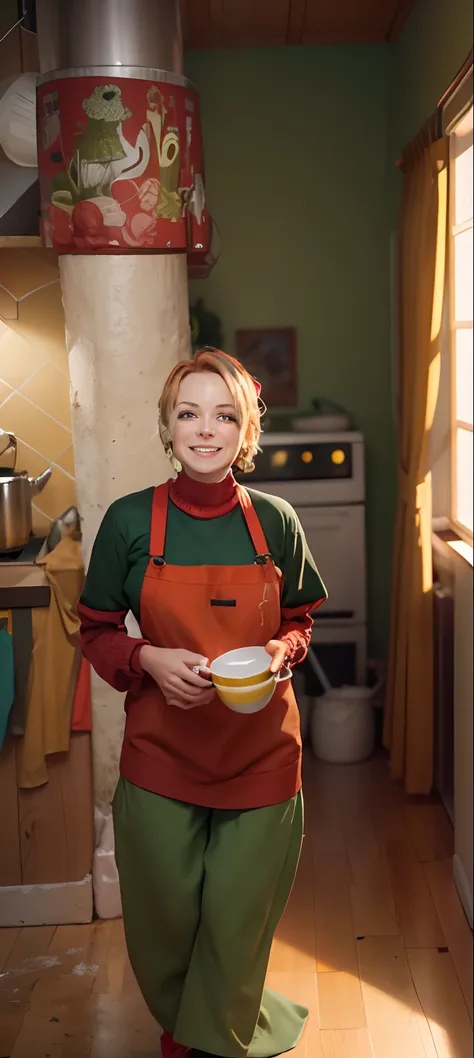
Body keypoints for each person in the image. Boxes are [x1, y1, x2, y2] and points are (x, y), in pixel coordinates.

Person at [78, 348, 327, 1058]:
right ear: (168, 425)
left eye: (225, 415)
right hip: (162, 753)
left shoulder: (275, 522)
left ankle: (201, 1042)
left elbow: (301, 617)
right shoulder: (130, 523)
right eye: (189, 412)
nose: (206, 429)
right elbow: (94, 630)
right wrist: (147, 658)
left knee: (235, 918)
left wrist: (280, 653)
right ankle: (200, 1024)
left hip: (261, 755)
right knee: (162, 921)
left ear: (245, 432)